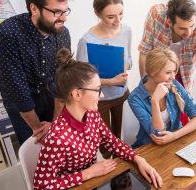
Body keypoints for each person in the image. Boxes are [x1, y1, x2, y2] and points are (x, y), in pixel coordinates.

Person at [33, 48, 162, 189]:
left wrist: (138, 158)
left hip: (94, 182)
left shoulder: (92, 114)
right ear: (77, 94)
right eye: (97, 90)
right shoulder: (57, 137)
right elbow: (41, 186)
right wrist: (86, 174)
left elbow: (111, 141)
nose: (102, 96)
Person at [0, 0, 73, 145]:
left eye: (66, 11)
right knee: (35, 146)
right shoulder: (7, 35)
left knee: (59, 142)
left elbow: (61, 79)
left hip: (50, 92)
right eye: (57, 12)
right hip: (21, 99)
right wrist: (38, 130)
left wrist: (55, 124)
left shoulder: (63, 33)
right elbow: (17, 90)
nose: (64, 18)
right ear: (34, 9)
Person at [77, 0, 131, 159]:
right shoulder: (86, 41)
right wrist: (110, 81)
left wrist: (126, 65)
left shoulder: (127, 30)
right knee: (106, 145)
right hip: (99, 101)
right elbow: (81, 80)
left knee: (122, 138)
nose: (118, 20)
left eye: (121, 13)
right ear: (97, 14)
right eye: (111, 16)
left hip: (122, 94)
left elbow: (129, 59)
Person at [128, 47, 196, 149]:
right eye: (168, 73)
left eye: (174, 71)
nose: (173, 77)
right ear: (152, 72)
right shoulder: (135, 98)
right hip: (150, 147)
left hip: (176, 141)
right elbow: (159, 135)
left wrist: (174, 135)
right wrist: (154, 101)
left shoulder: (174, 84)